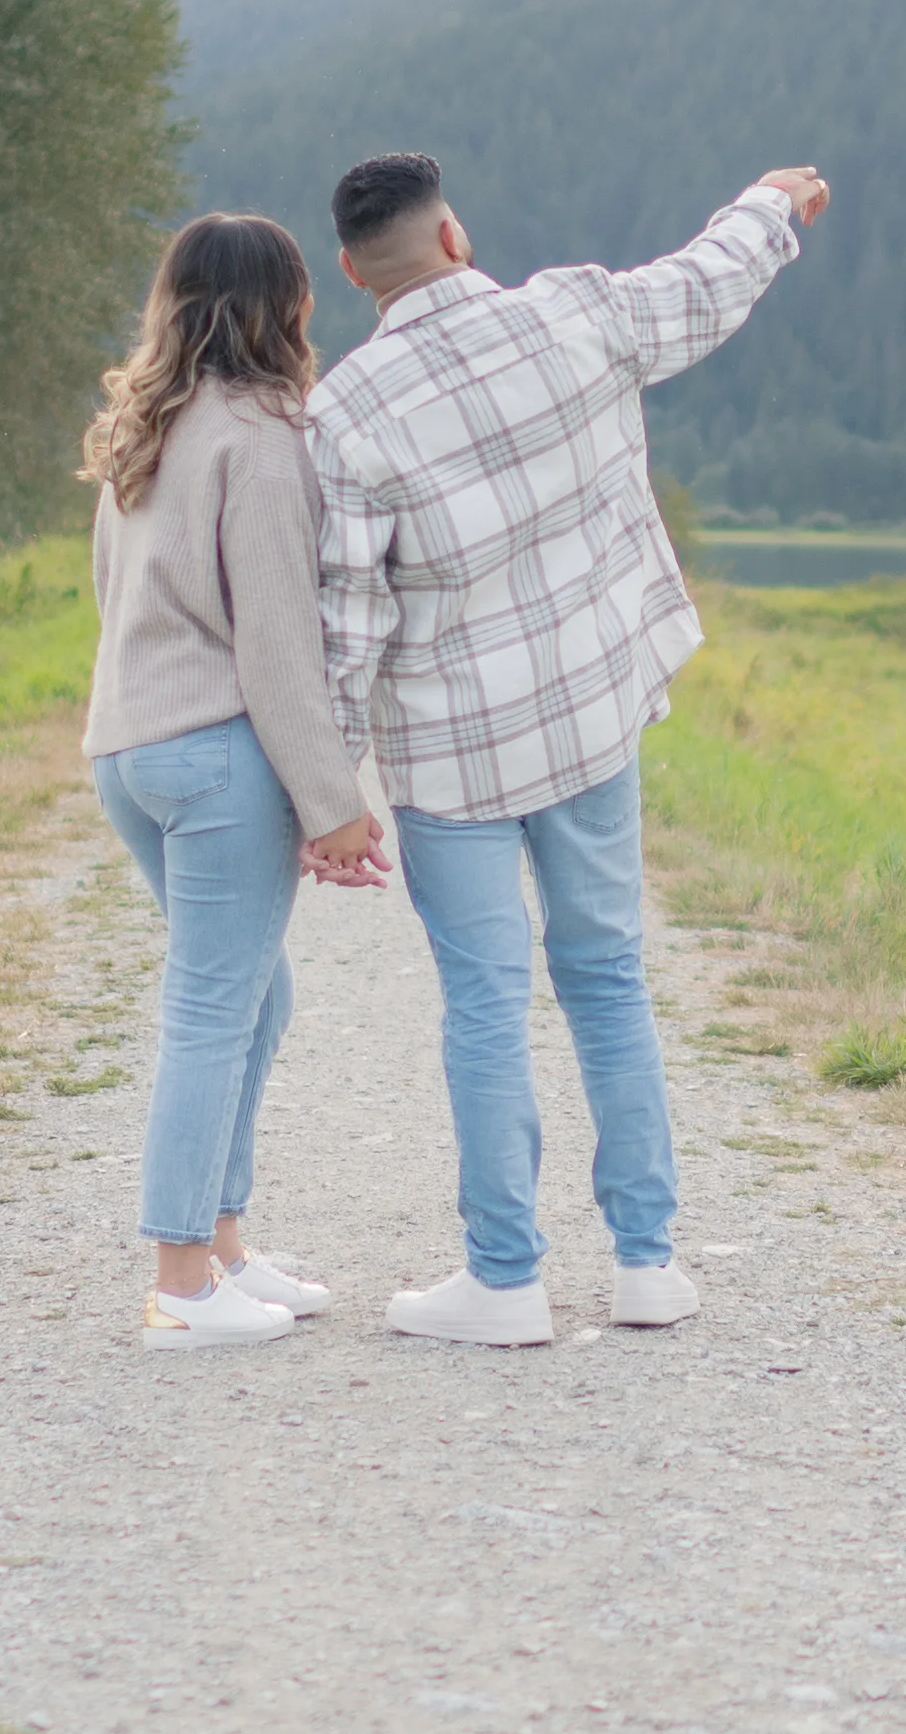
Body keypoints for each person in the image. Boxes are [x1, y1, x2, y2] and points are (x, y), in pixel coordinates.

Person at [310, 148, 830, 1346]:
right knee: (605, 976)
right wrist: (770, 203)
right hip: (593, 717)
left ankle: (504, 1281)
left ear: (352, 273)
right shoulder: (574, 310)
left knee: (483, 1006)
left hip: (452, 757)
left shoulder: (344, 411)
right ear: (455, 237)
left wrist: (330, 790)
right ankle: (647, 1263)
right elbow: (705, 283)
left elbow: (349, 617)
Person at [76, 211, 390, 1348]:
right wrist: (334, 804)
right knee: (213, 1010)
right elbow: (273, 646)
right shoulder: (261, 435)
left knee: (259, 995)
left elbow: (119, 607)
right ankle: (180, 1286)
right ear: (287, 307)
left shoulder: (140, 431)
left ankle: (222, 1251)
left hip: (127, 747)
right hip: (215, 752)